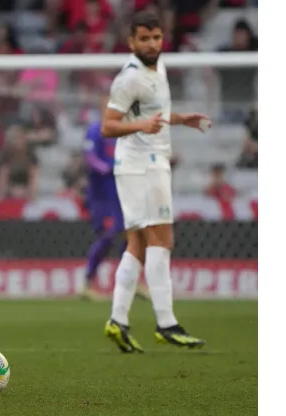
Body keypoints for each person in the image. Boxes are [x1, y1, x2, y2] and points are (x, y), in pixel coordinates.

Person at [100, 11, 208, 353]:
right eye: (144, 38)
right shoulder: (129, 78)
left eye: (156, 37)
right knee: (163, 238)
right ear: (131, 42)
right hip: (142, 165)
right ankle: (167, 323)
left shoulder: (156, 69)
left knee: (139, 245)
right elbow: (108, 125)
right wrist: (142, 128)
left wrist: (180, 119)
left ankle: (118, 320)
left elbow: (151, 113)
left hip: (146, 164)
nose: (151, 44)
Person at [81, 119, 150, 301]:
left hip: (123, 192)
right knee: (107, 236)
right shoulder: (97, 129)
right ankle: (87, 283)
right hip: (103, 195)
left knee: (130, 237)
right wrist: (107, 169)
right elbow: (89, 156)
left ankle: (131, 283)